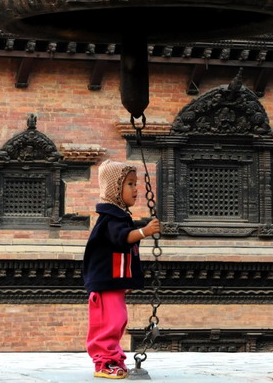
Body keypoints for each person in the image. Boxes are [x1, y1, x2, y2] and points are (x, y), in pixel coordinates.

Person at [83, 159, 161, 379]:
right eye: (129, 184)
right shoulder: (111, 218)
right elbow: (123, 238)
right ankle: (103, 363)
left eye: (135, 183)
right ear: (114, 188)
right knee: (109, 321)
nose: (136, 189)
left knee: (118, 320)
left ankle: (113, 359)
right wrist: (145, 231)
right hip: (105, 282)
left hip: (113, 282)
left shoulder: (120, 216)